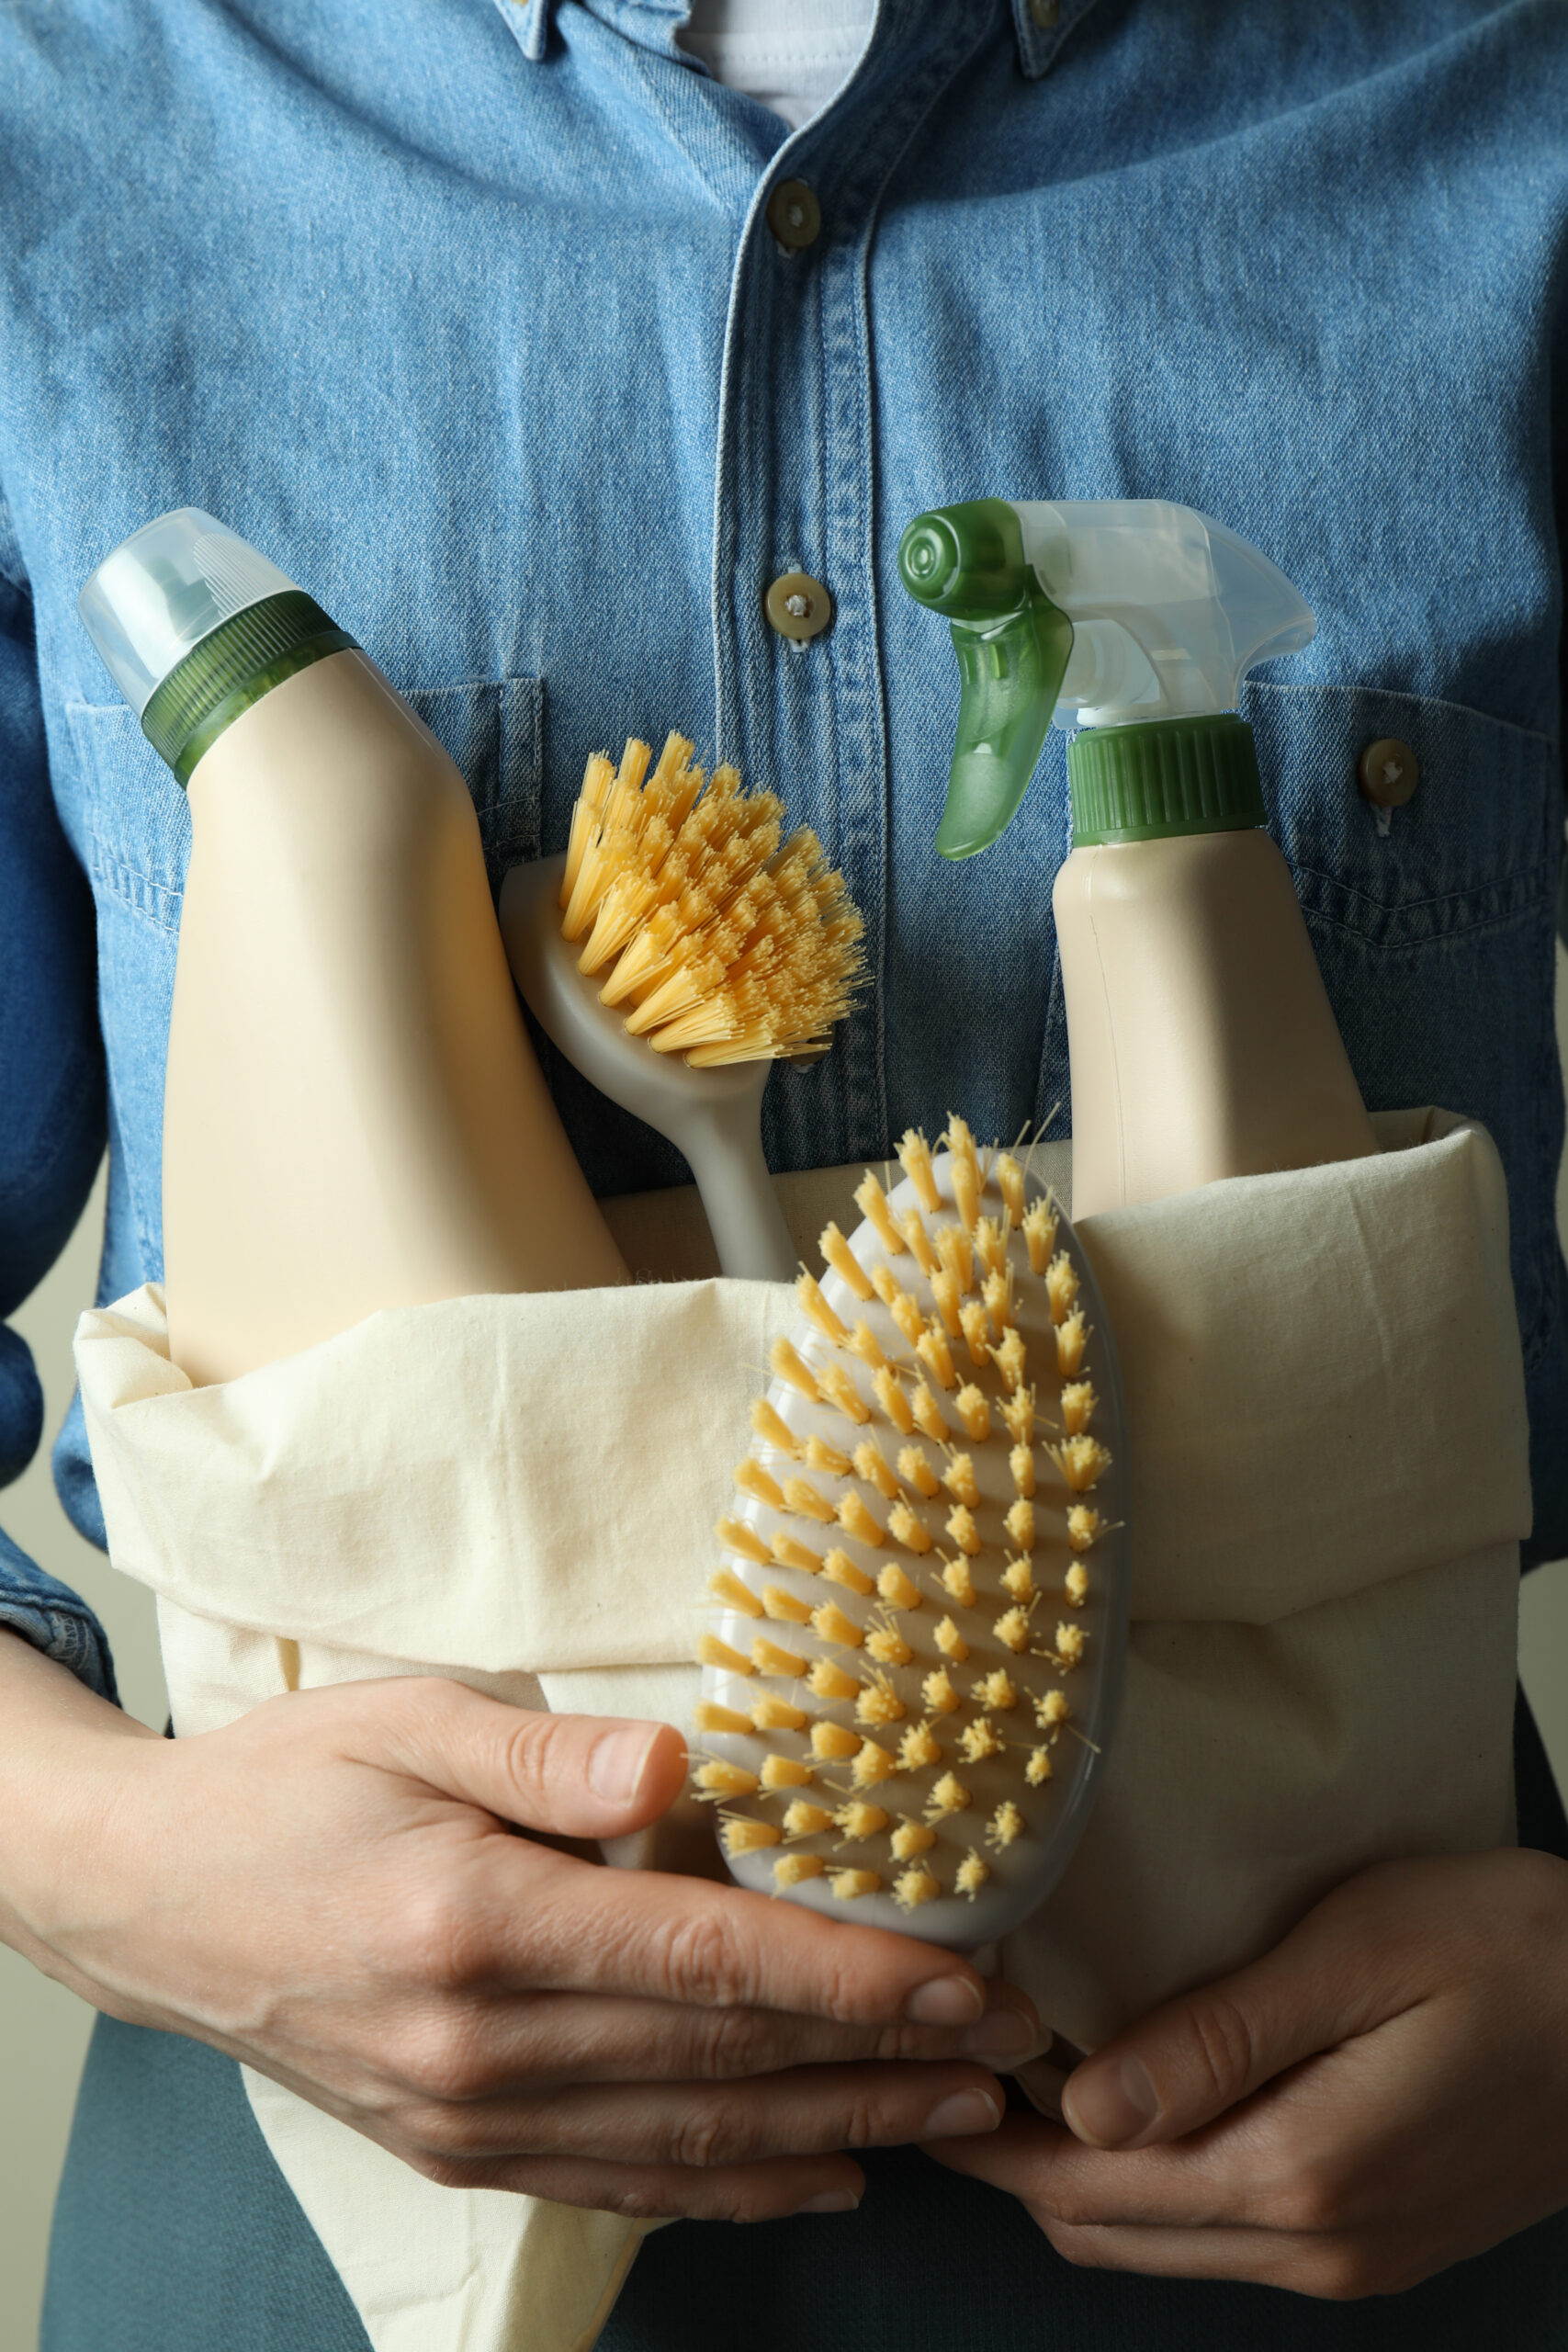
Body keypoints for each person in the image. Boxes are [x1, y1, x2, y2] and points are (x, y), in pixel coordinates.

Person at [4, 0, 1568, 2344]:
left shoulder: (1505, 89)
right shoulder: (66, 104)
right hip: (330, 2149)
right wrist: (97, 1856)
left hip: (1381, 2144)